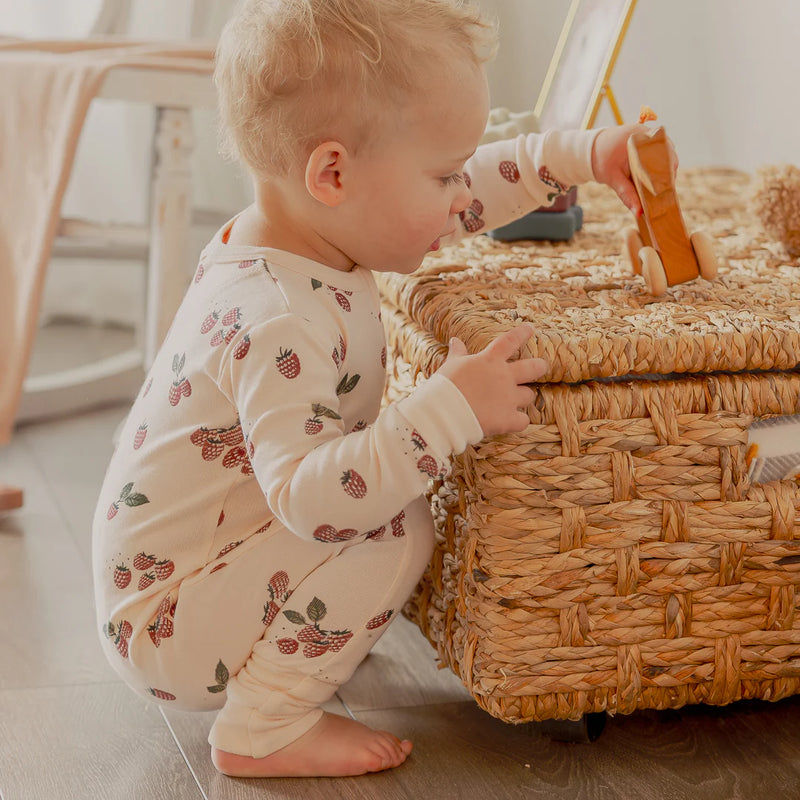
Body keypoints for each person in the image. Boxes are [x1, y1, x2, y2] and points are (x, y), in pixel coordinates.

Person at [92, 0, 655, 779]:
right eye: (442, 174)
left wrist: (584, 152)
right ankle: (265, 724)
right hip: (170, 623)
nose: (462, 194)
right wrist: (449, 411)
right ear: (333, 173)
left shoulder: (307, 230)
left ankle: (289, 653)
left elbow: (469, 189)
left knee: (381, 504)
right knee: (394, 525)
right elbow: (315, 500)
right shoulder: (277, 319)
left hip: (181, 581)